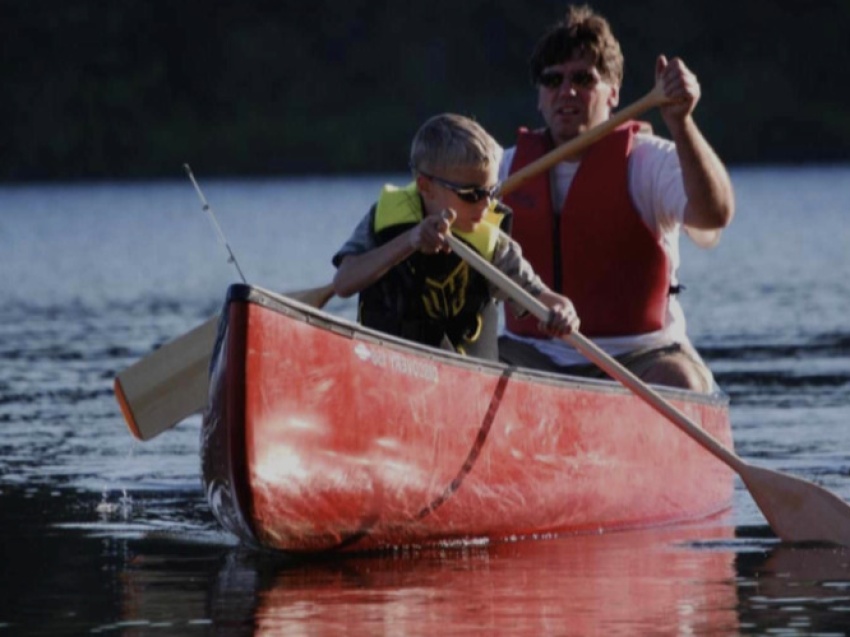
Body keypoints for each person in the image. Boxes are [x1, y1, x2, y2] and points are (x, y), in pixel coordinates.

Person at [498, 4, 735, 392]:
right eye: (553, 80)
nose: (566, 91)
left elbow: (714, 214)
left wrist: (681, 123)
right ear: (539, 96)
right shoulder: (504, 169)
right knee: (467, 362)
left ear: (613, 93)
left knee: (681, 381)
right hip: (530, 355)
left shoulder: (649, 162)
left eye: (583, 79)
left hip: (641, 357)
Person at [332, 113, 579, 359]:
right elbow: (343, 283)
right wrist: (410, 240)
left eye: (491, 191)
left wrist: (563, 311)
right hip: (383, 362)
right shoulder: (385, 219)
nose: (486, 205)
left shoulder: (493, 246)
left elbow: (546, 299)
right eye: (471, 194)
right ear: (425, 186)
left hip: (464, 375)